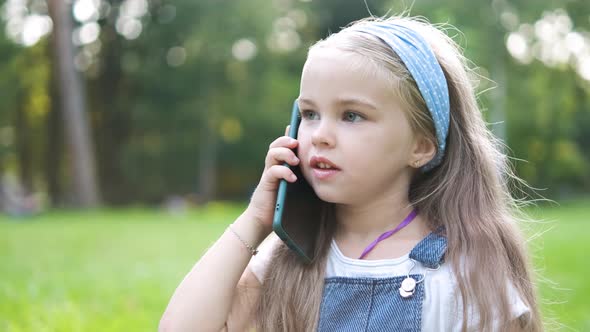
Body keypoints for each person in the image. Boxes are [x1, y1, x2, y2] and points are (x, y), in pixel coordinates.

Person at [159, 16, 542, 332]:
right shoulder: (288, 258)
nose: (320, 136)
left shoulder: (464, 274)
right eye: (309, 114)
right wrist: (256, 219)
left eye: (352, 116)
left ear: (421, 145)